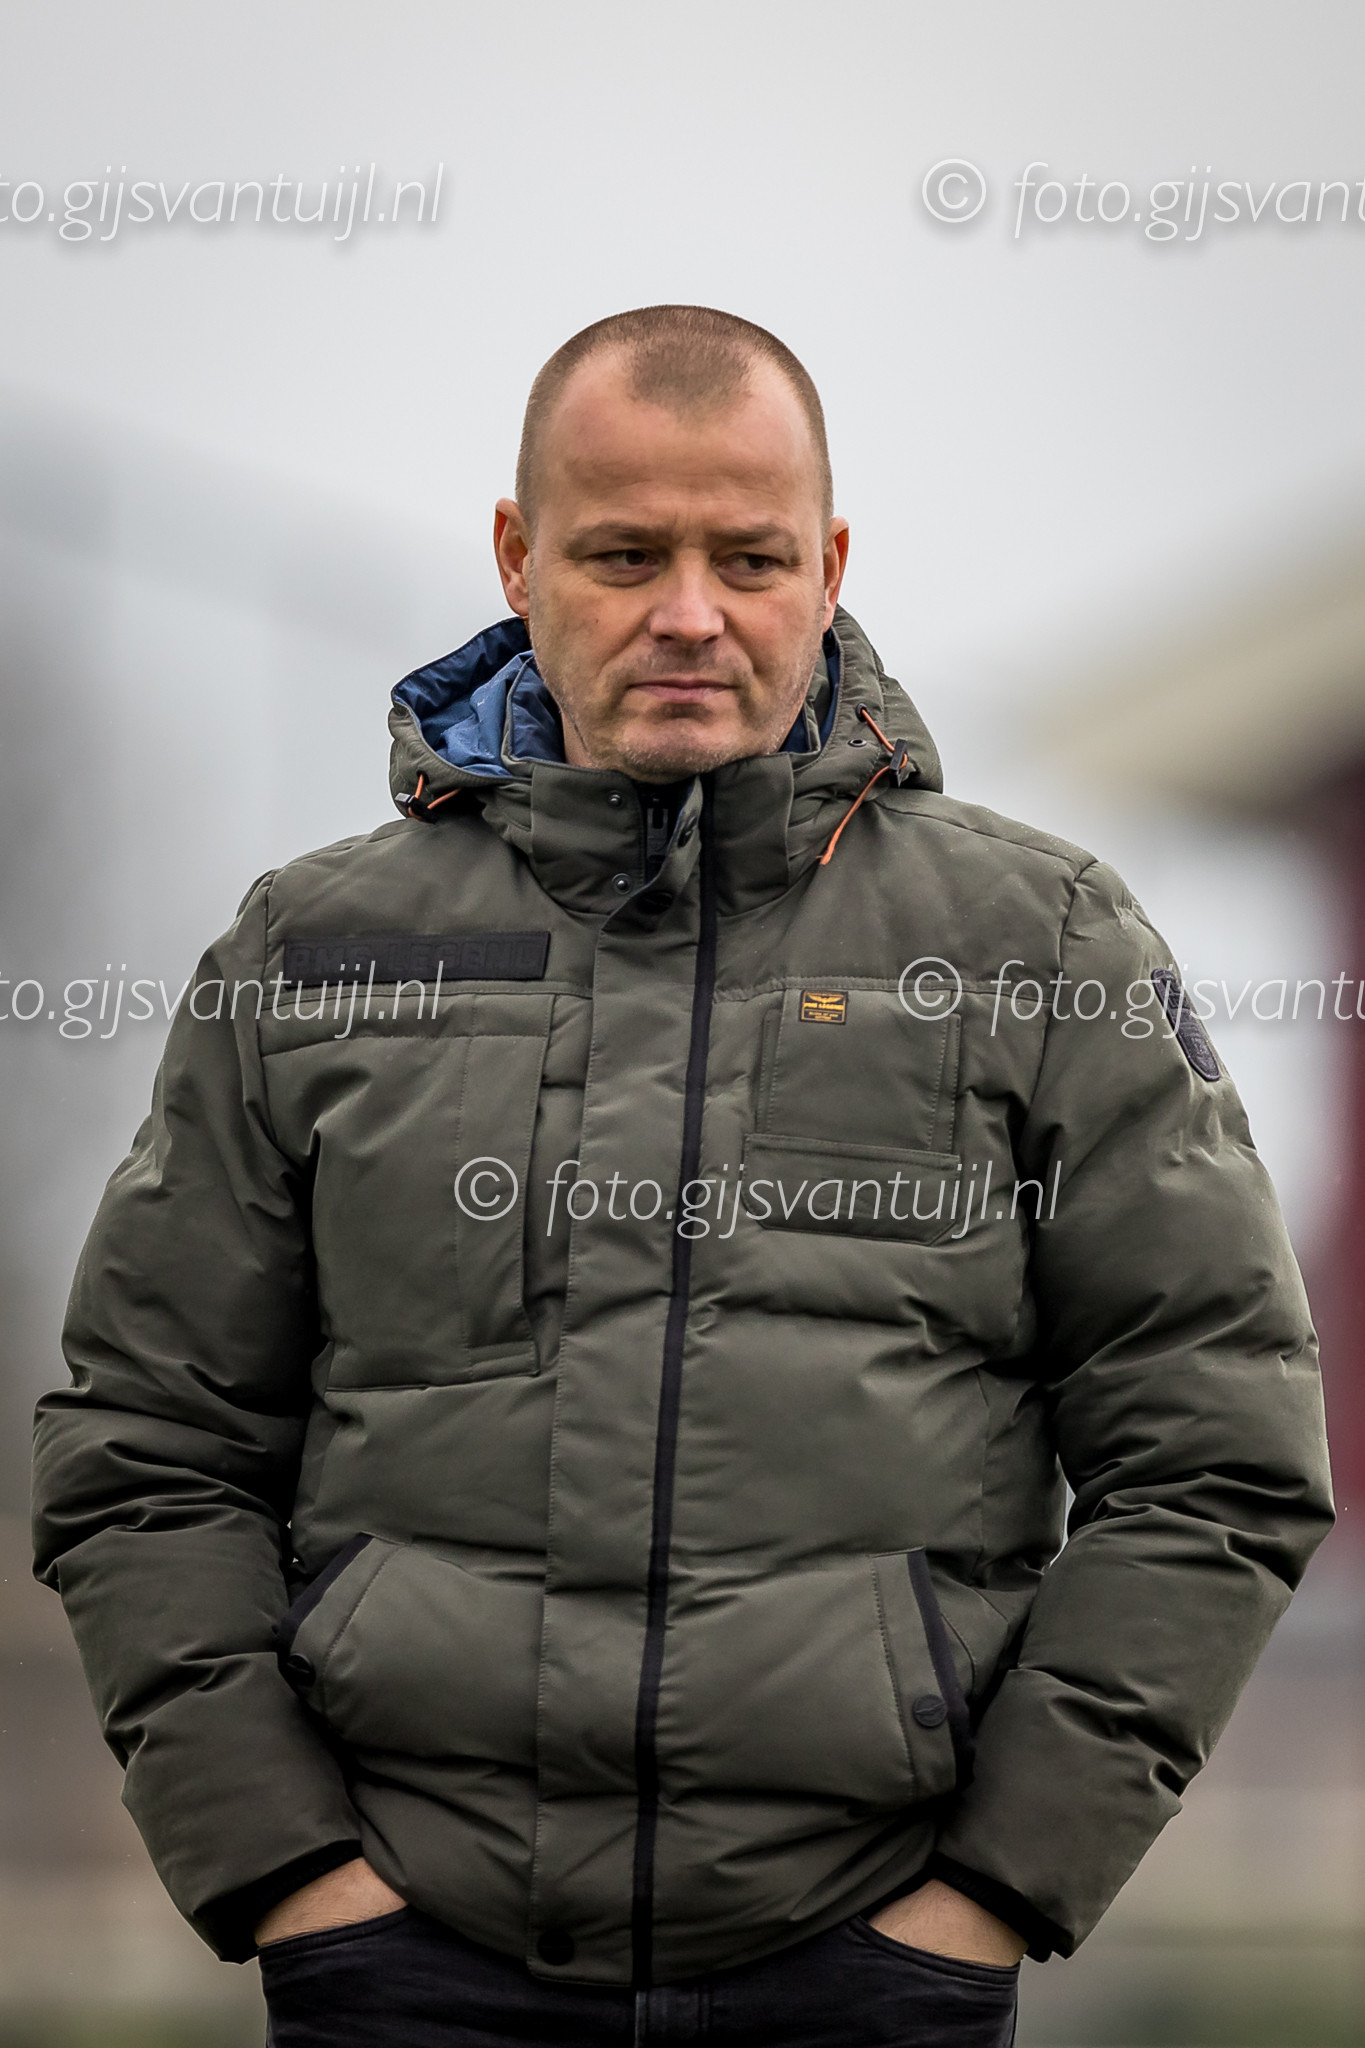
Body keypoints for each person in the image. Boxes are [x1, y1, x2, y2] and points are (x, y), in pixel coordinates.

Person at [32, 305, 1332, 2048]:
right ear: (518, 558)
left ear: (829, 566)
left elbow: (1216, 1449)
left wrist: (994, 1895)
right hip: (411, 1976)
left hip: (869, 1976)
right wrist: (287, 1876)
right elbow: (147, 1446)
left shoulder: (1036, 947)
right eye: (626, 554)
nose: (691, 612)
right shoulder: (314, 954)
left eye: (750, 557)